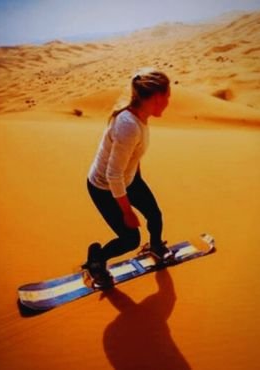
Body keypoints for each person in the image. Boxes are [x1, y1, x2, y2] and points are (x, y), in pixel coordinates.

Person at [84, 68, 173, 286]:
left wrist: (138, 181)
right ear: (155, 97)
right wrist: (127, 211)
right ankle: (97, 259)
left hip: (129, 179)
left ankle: (155, 247)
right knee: (130, 239)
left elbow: (134, 155)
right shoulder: (128, 126)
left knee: (154, 214)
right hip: (104, 187)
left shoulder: (140, 116)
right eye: (167, 97)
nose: (169, 102)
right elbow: (112, 175)